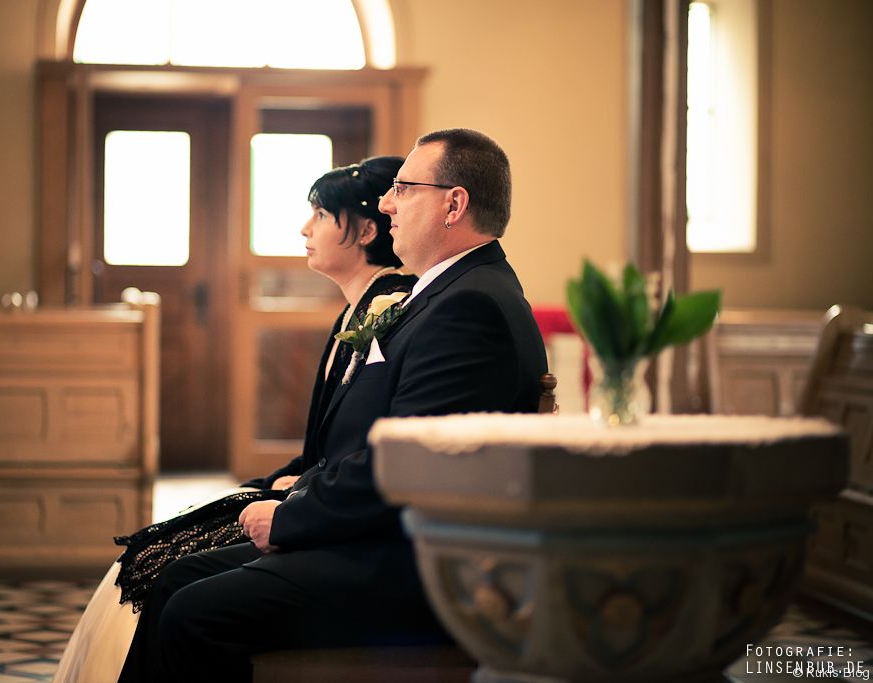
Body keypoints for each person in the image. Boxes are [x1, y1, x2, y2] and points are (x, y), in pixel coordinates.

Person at [118, 128, 549, 683]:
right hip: (388, 539)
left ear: (454, 204)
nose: (387, 203)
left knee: (194, 612)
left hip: (417, 565)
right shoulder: (453, 291)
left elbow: (408, 465)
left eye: (403, 188)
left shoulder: (470, 307)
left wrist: (290, 516)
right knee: (176, 578)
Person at [53, 155, 415, 683]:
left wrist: (295, 492)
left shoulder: (392, 307)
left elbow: (365, 444)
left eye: (320, 214)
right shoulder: (357, 309)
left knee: (167, 568)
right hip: (318, 496)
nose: (305, 228)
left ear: (364, 231)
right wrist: (283, 480)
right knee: (155, 549)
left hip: (349, 535)